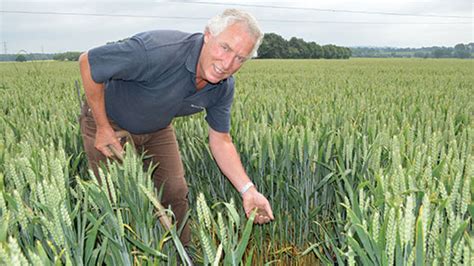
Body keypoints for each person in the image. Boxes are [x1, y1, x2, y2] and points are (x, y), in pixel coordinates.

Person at [78, 8, 274, 246]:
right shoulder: (157, 50)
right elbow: (89, 62)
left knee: (175, 191)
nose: (227, 63)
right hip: (109, 121)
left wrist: (248, 190)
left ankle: (182, 255)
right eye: (225, 48)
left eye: (240, 58)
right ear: (208, 35)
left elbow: (221, 140)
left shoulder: (222, 87)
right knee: (116, 200)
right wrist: (101, 126)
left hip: (157, 126)